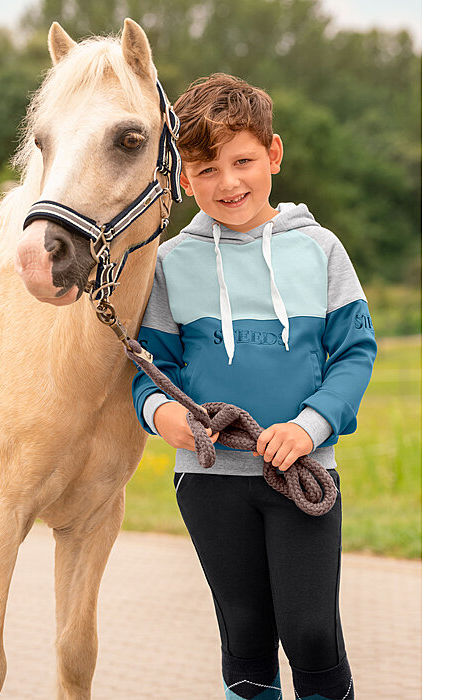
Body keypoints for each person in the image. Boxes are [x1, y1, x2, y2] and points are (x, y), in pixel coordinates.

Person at [131, 73, 377, 700]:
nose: (228, 182)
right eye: (206, 168)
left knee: (311, 631)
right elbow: (147, 370)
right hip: (209, 481)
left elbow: (354, 353)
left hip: (301, 471)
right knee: (244, 634)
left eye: (242, 161)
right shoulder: (169, 264)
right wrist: (167, 419)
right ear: (184, 179)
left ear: (273, 154)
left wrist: (307, 427)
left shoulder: (321, 249)